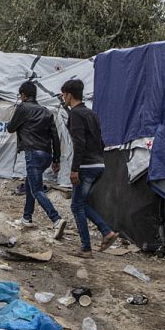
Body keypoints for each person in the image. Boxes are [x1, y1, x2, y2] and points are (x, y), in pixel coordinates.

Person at [61, 79, 117, 258]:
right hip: (98, 164)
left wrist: (75, 168)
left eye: (64, 95)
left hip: (85, 166)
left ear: (69, 95)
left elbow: (79, 143)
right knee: (81, 203)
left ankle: (86, 248)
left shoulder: (76, 114)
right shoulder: (92, 114)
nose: (63, 99)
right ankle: (106, 232)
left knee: (77, 205)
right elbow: (100, 141)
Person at [7, 81, 67, 239]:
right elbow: (55, 136)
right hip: (46, 154)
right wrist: (56, 159)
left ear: (23, 95)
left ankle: (56, 219)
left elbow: (10, 128)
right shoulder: (46, 111)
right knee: (30, 183)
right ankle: (27, 217)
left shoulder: (23, 108)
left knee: (36, 189)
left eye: (20, 96)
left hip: (32, 153)